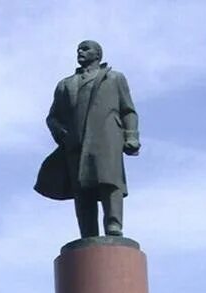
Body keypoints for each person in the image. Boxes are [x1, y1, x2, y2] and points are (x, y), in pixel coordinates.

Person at [35, 40, 140, 238]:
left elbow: (128, 110)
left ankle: (113, 225)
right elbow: (53, 117)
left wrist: (131, 136)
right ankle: (88, 233)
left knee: (110, 182)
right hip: (76, 143)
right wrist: (60, 132)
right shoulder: (65, 85)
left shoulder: (114, 78)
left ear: (98, 54)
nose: (80, 52)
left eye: (85, 49)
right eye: (78, 50)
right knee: (82, 190)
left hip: (107, 138)